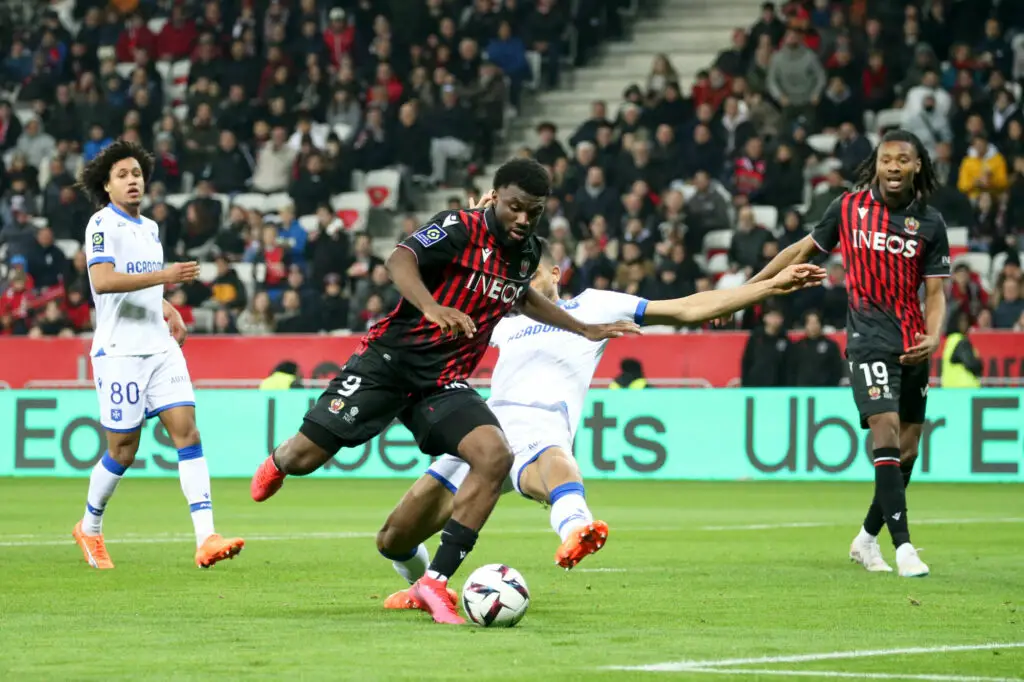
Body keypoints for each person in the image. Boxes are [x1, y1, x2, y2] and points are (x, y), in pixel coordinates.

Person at [248, 158, 640, 625]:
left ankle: (434, 582)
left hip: (441, 380)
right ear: (496, 197)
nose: (523, 219)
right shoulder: (459, 226)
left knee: (494, 455)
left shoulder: (527, 253)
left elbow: (522, 296)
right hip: (388, 364)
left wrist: (581, 328)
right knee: (304, 457)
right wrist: (432, 307)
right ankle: (279, 461)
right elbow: (399, 260)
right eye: (515, 207)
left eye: (533, 212)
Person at [374, 231, 825, 611]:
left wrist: (769, 287)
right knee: (393, 538)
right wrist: (476, 233)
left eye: (530, 277)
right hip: (484, 430)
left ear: (555, 274)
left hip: (542, 424)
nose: (521, 287)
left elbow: (687, 307)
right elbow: (451, 290)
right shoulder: (504, 321)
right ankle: (423, 588)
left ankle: (577, 529)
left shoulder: (593, 306)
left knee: (553, 463)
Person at [744, 129, 949, 578]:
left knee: (907, 450)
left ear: (917, 166)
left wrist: (934, 336)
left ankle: (866, 539)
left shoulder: (930, 223)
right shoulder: (849, 208)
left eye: (902, 160)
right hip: (867, 340)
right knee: (885, 429)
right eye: (886, 159)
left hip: (913, 344)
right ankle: (904, 548)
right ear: (876, 164)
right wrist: (747, 290)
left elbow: (935, 294)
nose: (893, 167)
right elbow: (801, 250)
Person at [72, 140, 244, 570]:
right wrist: (165, 276)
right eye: (122, 175)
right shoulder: (101, 224)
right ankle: (90, 527)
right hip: (120, 352)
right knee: (123, 451)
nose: (132, 181)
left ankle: (206, 538)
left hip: (160, 348)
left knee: (188, 433)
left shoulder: (149, 228)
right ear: (107, 186)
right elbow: (104, 281)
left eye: (137, 173)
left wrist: (168, 308)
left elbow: (142, 283)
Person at [941, 310, 981, 388]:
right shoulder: (961, 341)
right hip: (965, 389)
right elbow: (972, 364)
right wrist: (979, 363)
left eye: (966, 320)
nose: (965, 323)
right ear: (955, 322)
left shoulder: (950, 341)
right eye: (961, 320)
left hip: (950, 387)